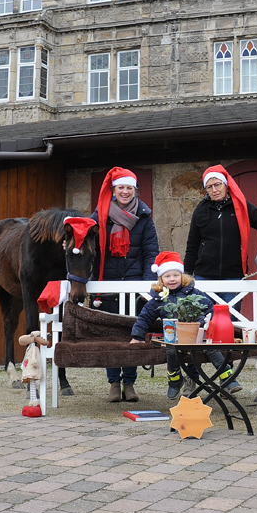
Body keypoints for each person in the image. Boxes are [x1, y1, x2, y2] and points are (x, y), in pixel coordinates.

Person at [129, 251, 241, 398]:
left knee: (210, 348)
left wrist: (209, 326)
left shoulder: (193, 293)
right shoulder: (159, 299)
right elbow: (144, 318)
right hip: (174, 337)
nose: (172, 279)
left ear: (182, 276)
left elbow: (210, 308)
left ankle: (228, 378)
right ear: (161, 280)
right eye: (167, 276)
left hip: (198, 335)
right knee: (171, 350)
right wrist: (137, 336)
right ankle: (175, 381)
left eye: (176, 275)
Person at [91, 166, 159, 403]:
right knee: (111, 334)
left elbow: (151, 252)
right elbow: (83, 237)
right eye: (121, 187)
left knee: (133, 333)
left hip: (134, 284)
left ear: (135, 190)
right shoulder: (99, 214)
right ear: (114, 189)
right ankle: (113, 383)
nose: (125, 191)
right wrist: (69, 242)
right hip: (107, 283)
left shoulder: (144, 217)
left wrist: (147, 285)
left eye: (129, 187)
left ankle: (129, 383)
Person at [184, 164, 257, 297]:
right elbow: (192, 244)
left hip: (233, 274)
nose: (214, 190)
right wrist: (186, 274)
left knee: (230, 316)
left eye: (218, 184)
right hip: (204, 274)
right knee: (203, 316)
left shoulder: (241, 206)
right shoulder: (200, 210)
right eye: (209, 187)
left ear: (226, 184)